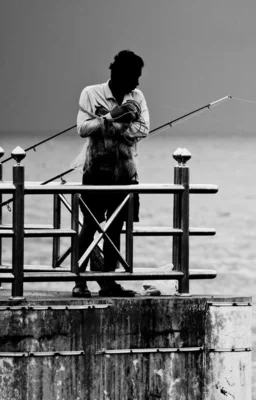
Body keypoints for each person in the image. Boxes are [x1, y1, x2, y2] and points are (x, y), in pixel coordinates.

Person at [72, 50, 150, 297]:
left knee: (115, 228)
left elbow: (143, 128)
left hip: (126, 174)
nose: (137, 83)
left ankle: (108, 282)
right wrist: (112, 117)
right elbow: (83, 128)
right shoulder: (90, 93)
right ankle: (79, 281)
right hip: (96, 171)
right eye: (134, 77)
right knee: (90, 227)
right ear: (120, 75)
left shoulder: (137, 96)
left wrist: (109, 125)